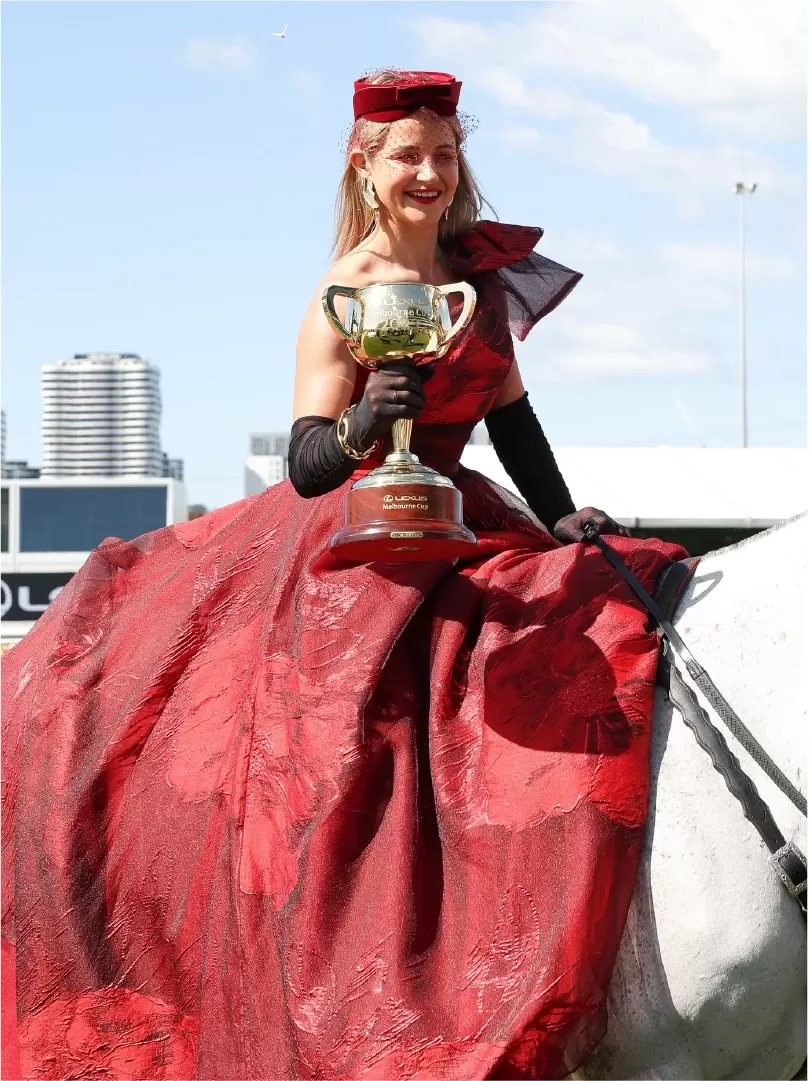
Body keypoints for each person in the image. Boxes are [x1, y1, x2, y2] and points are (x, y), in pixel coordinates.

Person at [0, 70, 685, 1081]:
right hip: (347, 544)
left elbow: (512, 416)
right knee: (350, 752)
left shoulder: (474, 281)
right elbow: (308, 460)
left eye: (444, 156)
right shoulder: (343, 289)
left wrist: (559, 513)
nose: (429, 172)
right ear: (364, 164)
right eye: (407, 154)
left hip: (458, 509)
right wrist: (368, 421)